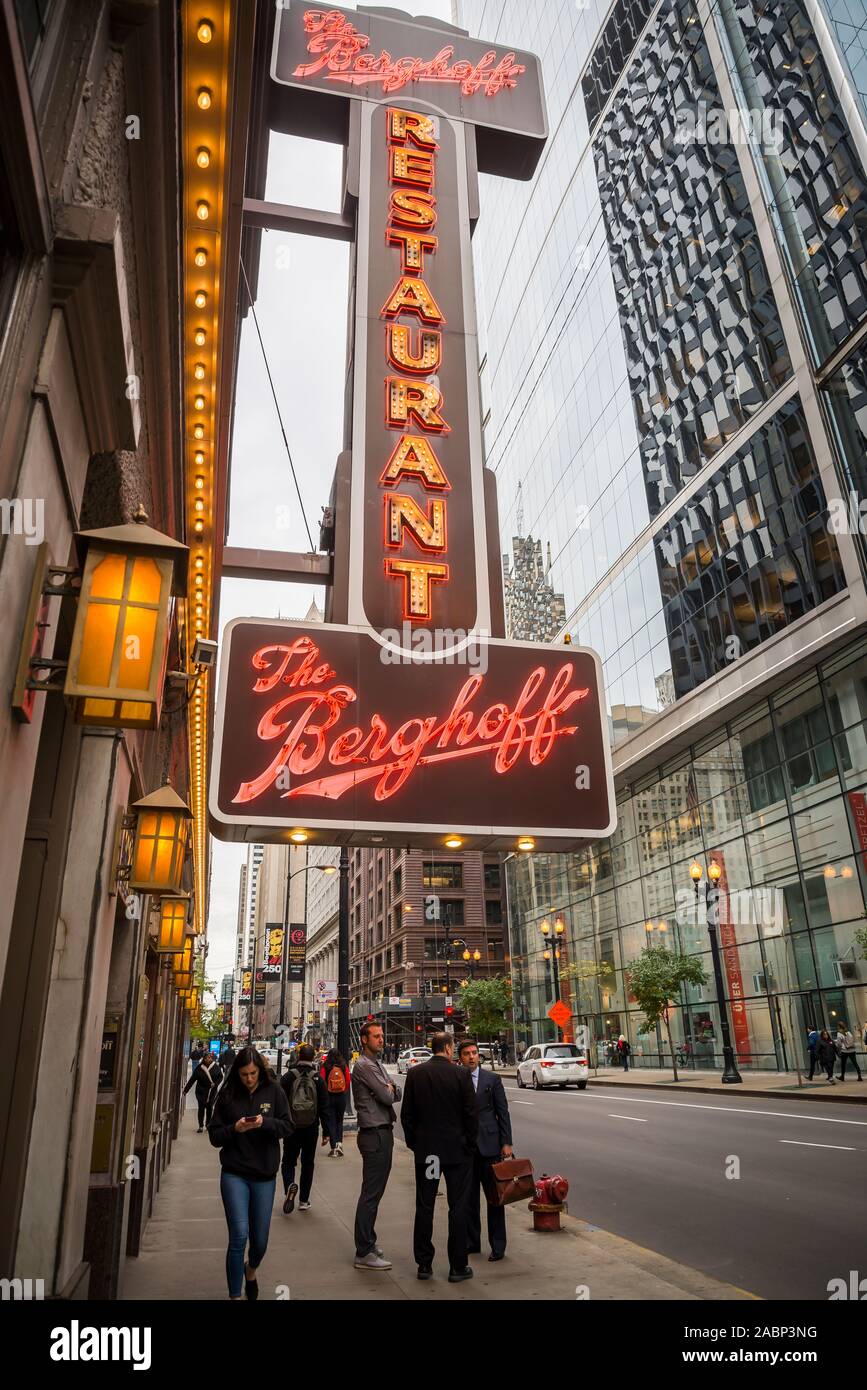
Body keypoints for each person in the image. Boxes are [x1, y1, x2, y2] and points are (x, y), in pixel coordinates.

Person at [207, 1046, 291, 1300]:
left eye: (253, 1073)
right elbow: (214, 1135)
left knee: (260, 1241)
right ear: (237, 1073)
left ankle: (250, 1270)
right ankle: (235, 1295)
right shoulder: (228, 1094)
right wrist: (235, 1128)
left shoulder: (274, 1091)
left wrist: (265, 1123)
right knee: (238, 1236)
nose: (249, 1079)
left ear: (260, 1071)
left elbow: (288, 1126)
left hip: (264, 1175)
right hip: (235, 1173)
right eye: (244, 1074)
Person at [400, 1031, 478, 1283]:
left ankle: (424, 1264)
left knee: (426, 1205)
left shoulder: (416, 1074)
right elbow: (470, 1115)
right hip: (456, 1154)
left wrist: (416, 1144)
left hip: (429, 1155)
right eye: (453, 1047)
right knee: (458, 1206)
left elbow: (407, 1116)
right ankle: (458, 1265)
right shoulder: (461, 1074)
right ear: (447, 1048)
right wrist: (468, 1144)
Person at [352, 1020, 401, 1271]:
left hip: (383, 1131)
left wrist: (390, 1088)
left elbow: (396, 1092)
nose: (381, 1039)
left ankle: (368, 1243)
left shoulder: (378, 1064)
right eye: (376, 1036)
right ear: (364, 1039)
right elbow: (386, 1096)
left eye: (382, 1035)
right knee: (371, 1193)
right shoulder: (363, 1065)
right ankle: (364, 1250)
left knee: (375, 1192)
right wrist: (388, 1089)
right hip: (374, 1134)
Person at [458, 1038, 513, 1262]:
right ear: (460, 1057)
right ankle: (473, 1242)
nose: (472, 1057)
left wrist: (506, 1143)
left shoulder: (492, 1079)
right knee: (469, 1199)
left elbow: (503, 1112)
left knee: (495, 1198)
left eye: (474, 1053)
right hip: (467, 1149)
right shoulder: (457, 1078)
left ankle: (498, 1245)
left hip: (490, 1147)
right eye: (467, 1054)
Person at [280, 1044, 327, 1213]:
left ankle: (289, 1187)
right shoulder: (317, 1079)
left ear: (299, 1056)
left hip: (291, 1127)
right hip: (311, 1127)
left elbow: (280, 1101)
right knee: (308, 1163)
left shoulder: (288, 1077)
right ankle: (304, 1200)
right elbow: (324, 1106)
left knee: (288, 1161)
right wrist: (327, 1132)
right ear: (313, 1057)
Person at [320, 1047, 351, 1156]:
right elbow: (347, 1081)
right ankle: (339, 1144)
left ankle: (333, 1148)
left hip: (329, 1097)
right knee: (339, 1121)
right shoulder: (343, 1066)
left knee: (331, 1121)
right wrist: (342, 1090)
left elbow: (322, 1082)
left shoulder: (325, 1066)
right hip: (341, 1097)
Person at [184, 1051, 222, 1132]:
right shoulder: (199, 1067)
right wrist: (185, 1090)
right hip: (201, 1091)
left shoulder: (216, 1067)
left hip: (212, 1092)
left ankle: (208, 1124)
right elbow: (192, 1079)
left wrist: (216, 1084)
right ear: (204, 1059)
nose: (209, 1059)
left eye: (210, 1057)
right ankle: (200, 1126)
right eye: (208, 1058)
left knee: (210, 1108)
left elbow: (220, 1077)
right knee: (201, 1108)